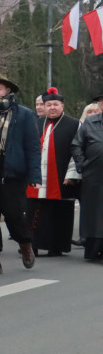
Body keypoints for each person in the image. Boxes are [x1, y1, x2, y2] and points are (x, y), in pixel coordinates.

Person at [0, 75, 41, 274]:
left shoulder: (24, 114)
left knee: (14, 215)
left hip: (12, 174)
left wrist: (35, 176)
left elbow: (32, 147)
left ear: (7, 91)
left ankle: (24, 243)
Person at [26, 88, 80, 257]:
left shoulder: (74, 124)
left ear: (62, 106)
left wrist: (72, 175)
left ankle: (56, 246)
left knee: (59, 211)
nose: (52, 108)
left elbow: (76, 150)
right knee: (35, 210)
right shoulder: (36, 122)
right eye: (48, 104)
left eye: (55, 104)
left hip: (61, 176)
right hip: (38, 175)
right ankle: (32, 245)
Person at [72, 98, 103, 260]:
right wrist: (82, 165)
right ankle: (92, 249)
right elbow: (76, 145)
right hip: (94, 176)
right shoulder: (90, 123)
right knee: (94, 214)